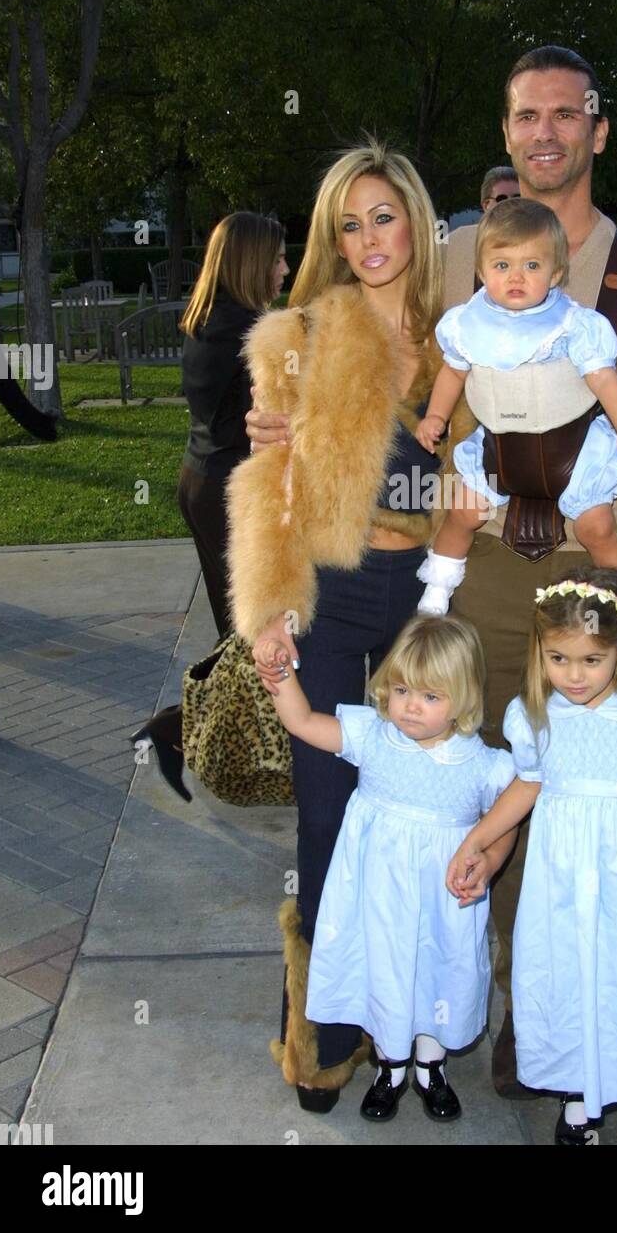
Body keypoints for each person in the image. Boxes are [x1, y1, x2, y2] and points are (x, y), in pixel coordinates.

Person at [247, 46, 617, 1143]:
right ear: (505, 132)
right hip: (471, 576)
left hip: (599, 587)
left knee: (609, 814)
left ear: (598, 130)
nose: (544, 132)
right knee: (487, 794)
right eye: (524, 116)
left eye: (566, 114)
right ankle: (513, 1017)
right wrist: (287, 401)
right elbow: (362, 306)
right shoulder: (458, 252)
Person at [227, 139, 451, 1112]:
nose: (368, 238)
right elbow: (263, 483)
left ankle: (408, 1017)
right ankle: (317, 1032)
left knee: (410, 813)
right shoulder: (299, 336)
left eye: (383, 216)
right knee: (325, 814)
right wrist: (266, 614)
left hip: (429, 599)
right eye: (347, 224)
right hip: (326, 591)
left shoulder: (470, 335)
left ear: (415, 220)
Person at [447, 567, 617, 1146]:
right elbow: (528, 785)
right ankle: (579, 1094)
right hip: (563, 881)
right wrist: (476, 841)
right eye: (558, 659)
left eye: (590, 661)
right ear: (540, 651)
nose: (573, 676)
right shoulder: (535, 715)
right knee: (571, 976)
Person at [266, 613, 515, 1123]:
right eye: (401, 689)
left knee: (436, 971)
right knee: (386, 967)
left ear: (463, 698)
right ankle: (390, 1066)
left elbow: (505, 820)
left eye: (429, 696)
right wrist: (281, 678)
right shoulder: (374, 737)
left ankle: (430, 1066)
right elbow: (303, 722)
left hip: (443, 897)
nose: (410, 707)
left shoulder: (483, 763)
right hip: (378, 894)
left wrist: (488, 860)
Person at [414, 197, 617, 616]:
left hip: (573, 451)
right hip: (500, 449)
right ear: (481, 270)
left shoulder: (573, 325)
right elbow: (453, 373)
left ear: (556, 273)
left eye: (532, 266)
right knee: (462, 509)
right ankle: (439, 585)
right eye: (502, 266)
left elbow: (604, 378)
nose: (516, 277)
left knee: (596, 525)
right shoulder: (468, 323)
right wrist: (436, 415)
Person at [131, 212, 288, 801]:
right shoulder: (250, 329)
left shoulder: (205, 319)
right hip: (229, 495)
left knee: (240, 636)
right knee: (253, 642)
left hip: (198, 481)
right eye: (275, 258)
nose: (284, 268)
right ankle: (174, 733)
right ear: (250, 262)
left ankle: (188, 737)